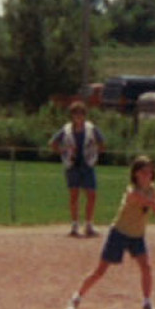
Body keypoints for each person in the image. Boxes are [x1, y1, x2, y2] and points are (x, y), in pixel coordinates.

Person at [67, 156, 155, 309]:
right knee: (100, 271)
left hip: (137, 235)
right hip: (119, 233)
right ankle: (77, 296)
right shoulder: (132, 192)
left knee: (146, 267)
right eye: (144, 172)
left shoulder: (151, 189)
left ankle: (147, 303)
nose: (148, 175)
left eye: (150, 172)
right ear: (135, 174)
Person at [50, 99, 105, 237]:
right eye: (76, 114)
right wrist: (64, 151)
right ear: (72, 116)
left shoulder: (91, 129)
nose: (78, 117)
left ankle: (89, 224)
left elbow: (102, 143)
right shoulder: (66, 129)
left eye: (81, 114)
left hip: (87, 165)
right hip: (72, 165)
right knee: (74, 195)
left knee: (91, 195)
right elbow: (53, 143)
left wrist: (94, 152)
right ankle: (74, 225)